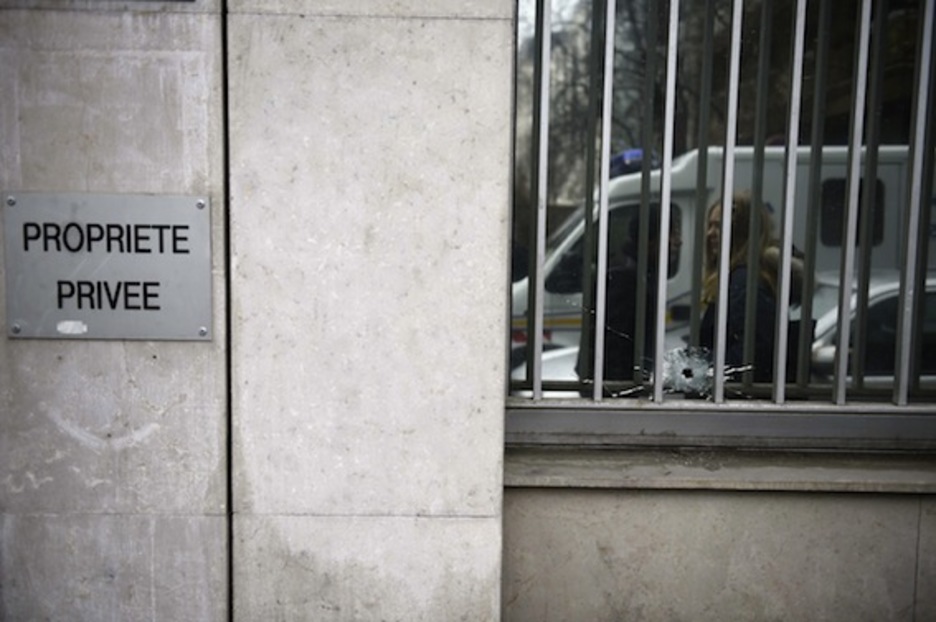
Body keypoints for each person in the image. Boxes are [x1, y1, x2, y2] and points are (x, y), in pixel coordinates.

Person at [699, 193, 804, 382]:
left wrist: (699, 372)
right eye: (710, 225)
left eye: (719, 226)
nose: (710, 234)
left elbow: (746, 357)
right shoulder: (745, 277)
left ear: (742, 232)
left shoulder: (745, 282)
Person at [577, 205, 682, 392]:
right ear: (650, 239)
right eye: (672, 234)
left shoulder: (639, 271)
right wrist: (625, 394)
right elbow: (612, 347)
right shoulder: (625, 276)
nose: (678, 242)